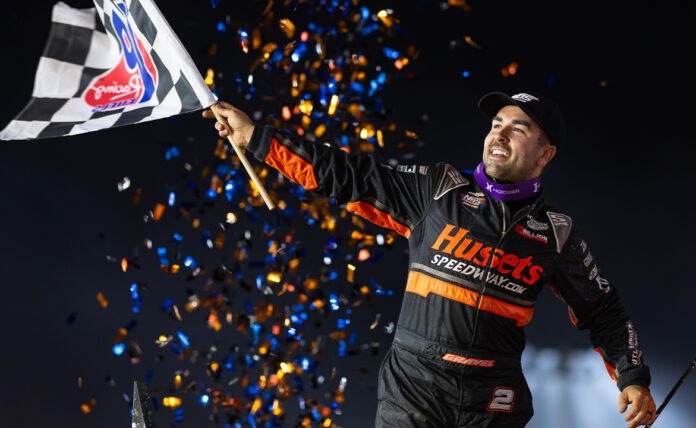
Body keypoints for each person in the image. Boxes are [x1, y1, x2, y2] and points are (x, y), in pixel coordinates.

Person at [203, 91, 657, 428]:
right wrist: (257, 137)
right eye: (496, 123)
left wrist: (632, 378)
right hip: (414, 387)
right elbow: (346, 175)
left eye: (518, 129)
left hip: (494, 400)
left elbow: (604, 311)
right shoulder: (438, 188)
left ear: (545, 154)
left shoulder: (557, 233)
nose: (499, 133)